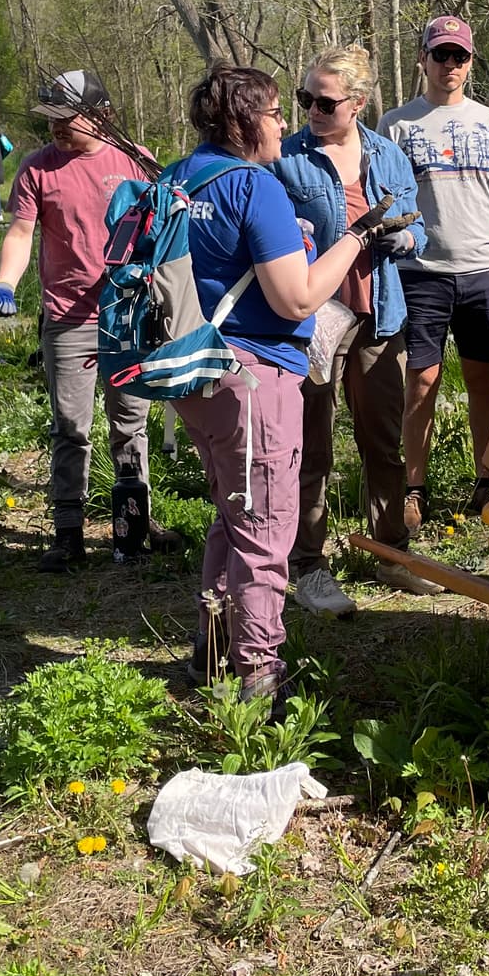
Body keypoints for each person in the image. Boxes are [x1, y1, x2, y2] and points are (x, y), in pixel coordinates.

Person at [175, 65, 415, 701]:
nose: (287, 120)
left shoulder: (183, 176)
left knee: (233, 510)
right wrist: (357, 237)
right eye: (279, 110)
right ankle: (259, 674)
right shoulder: (256, 188)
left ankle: (210, 650)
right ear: (246, 121)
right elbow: (298, 300)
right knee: (266, 526)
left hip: (194, 372)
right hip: (252, 377)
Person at [271, 45, 436, 613]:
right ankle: (308, 566)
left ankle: (393, 551)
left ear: (358, 103)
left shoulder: (388, 156)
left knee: (382, 440)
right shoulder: (286, 158)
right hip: (313, 321)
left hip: (380, 315)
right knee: (309, 444)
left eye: (325, 101)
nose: (312, 110)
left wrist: (408, 239)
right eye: (305, 98)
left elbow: (423, 230)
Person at [0, 71, 170, 571]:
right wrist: (6, 281)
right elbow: (22, 233)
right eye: (51, 122)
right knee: (71, 426)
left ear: (101, 115)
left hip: (128, 317)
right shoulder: (37, 169)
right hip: (68, 319)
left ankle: (136, 518)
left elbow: (164, 229)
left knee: (131, 423)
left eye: (67, 119)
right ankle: (67, 532)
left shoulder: (136, 159)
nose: (57, 130)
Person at [380, 16, 489, 529]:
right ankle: (413, 488)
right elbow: (382, 199)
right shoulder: (396, 125)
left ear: (470, 62)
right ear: (422, 58)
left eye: (459, 56)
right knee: (420, 380)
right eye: (440, 55)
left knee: (483, 378)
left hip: (484, 268)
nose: (450, 66)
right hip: (420, 270)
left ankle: (486, 482)